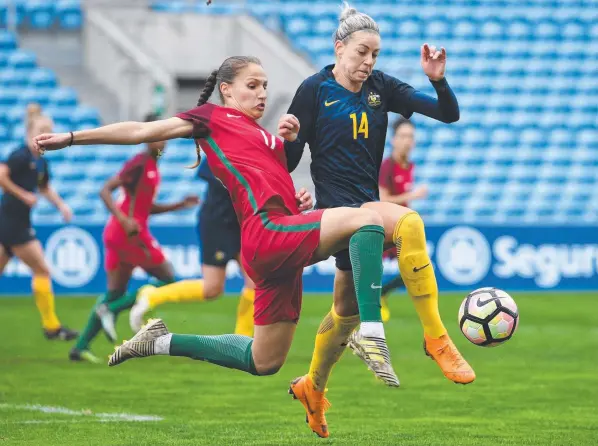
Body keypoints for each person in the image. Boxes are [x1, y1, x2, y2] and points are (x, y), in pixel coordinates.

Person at [35, 55, 394, 439]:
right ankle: (370, 330)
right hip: (267, 233)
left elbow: (266, 183)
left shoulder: (270, 137)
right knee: (368, 219)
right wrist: (72, 138)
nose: (261, 93)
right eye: (252, 85)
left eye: (265, 86)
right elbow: (141, 130)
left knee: (265, 360)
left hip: (279, 237)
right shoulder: (209, 118)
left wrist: (296, 196)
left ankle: (162, 341)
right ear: (227, 90)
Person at [284, 3, 475, 393]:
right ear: (339, 48)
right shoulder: (313, 90)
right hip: (336, 213)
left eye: (375, 54)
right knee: (410, 222)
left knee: (345, 315)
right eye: (361, 52)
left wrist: (438, 80)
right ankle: (436, 338)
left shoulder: (381, 88)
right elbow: (287, 162)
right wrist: (287, 140)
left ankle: (312, 387)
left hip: (367, 211)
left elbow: (448, 113)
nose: (368, 61)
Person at [69, 113, 199, 363]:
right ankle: (112, 310)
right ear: (148, 137)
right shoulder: (139, 163)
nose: (164, 142)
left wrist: (177, 205)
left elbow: (145, 206)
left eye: (166, 137)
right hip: (129, 235)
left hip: (123, 234)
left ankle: (80, 346)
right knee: (168, 279)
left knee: (115, 292)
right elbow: (105, 189)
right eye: (159, 136)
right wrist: (124, 219)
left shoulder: (151, 166)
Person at [128, 158, 256, 337]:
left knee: (254, 281)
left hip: (240, 224)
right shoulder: (221, 146)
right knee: (212, 289)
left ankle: (242, 338)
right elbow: (209, 174)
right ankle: (152, 295)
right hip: (218, 223)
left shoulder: (250, 146)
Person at [0, 104, 77, 341]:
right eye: (43, 130)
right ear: (31, 131)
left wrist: (61, 205)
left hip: (14, 221)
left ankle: (52, 327)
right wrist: (23, 195)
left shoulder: (42, 162)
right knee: (42, 269)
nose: (47, 135)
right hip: (11, 221)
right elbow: (1, 175)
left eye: (49, 130)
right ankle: (51, 327)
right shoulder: (20, 155)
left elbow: (44, 187)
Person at [377, 117, 428, 321]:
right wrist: (412, 196)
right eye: (403, 136)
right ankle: (365, 307)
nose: (408, 140)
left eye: (411, 136)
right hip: (385, 226)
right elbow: (383, 199)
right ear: (394, 140)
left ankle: (380, 295)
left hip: (403, 226)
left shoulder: (409, 166)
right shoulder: (387, 166)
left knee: (416, 270)